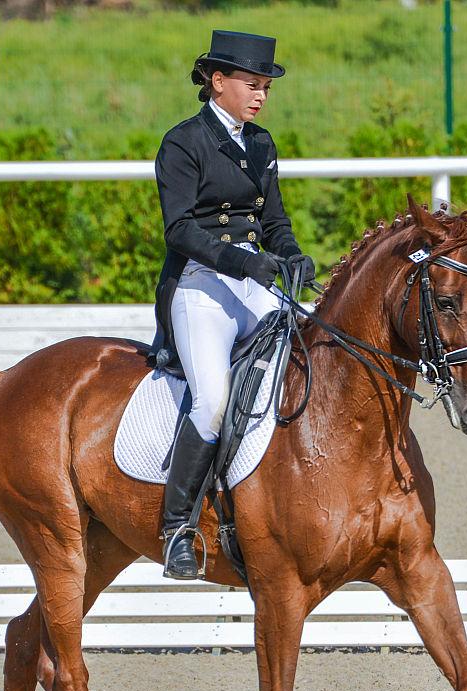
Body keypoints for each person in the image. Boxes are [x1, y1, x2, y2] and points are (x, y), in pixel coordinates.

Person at [151, 29, 315, 580]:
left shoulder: (261, 143)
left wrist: (291, 255)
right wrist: (244, 263)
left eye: (266, 87)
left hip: (253, 282)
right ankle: (177, 528)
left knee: (302, 373)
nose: (261, 95)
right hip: (200, 286)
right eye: (252, 84)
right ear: (217, 81)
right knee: (214, 401)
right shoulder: (182, 143)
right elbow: (179, 231)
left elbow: (274, 221)